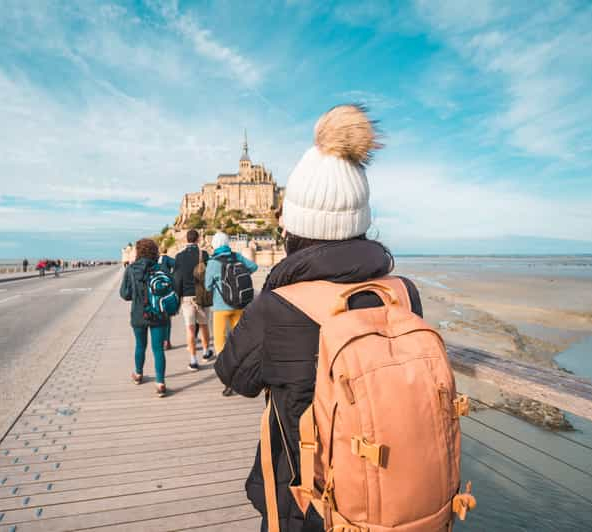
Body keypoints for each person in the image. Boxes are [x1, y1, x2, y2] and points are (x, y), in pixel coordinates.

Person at [215, 105, 423, 531]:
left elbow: (233, 375)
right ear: (362, 223)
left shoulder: (278, 306)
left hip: (310, 504)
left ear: (293, 226)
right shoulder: (404, 293)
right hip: (396, 496)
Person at [205, 231, 257, 396]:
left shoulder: (213, 262)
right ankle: (243, 375)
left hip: (221, 308)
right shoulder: (236, 257)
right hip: (239, 305)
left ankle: (227, 381)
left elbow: (207, 286)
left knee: (220, 344)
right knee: (240, 342)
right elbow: (254, 267)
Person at [120, 238, 170, 397]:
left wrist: (136, 294)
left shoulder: (131, 269)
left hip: (138, 314)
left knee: (140, 345)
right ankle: (160, 382)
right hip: (158, 313)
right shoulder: (161, 268)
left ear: (138, 251)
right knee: (158, 349)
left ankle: (138, 374)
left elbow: (125, 294)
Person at [173, 229, 213, 371]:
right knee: (204, 326)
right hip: (202, 296)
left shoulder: (179, 256)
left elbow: (177, 279)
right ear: (198, 239)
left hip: (187, 297)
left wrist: (177, 298)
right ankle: (207, 352)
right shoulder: (204, 255)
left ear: (186, 239)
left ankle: (193, 360)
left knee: (190, 329)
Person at [158, 247, 176, 350]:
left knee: (159, 318)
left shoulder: (154, 260)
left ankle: (161, 341)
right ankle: (167, 341)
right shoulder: (167, 259)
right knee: (167, 318)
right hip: (167, 289)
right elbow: (178, 264)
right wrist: (172, 275)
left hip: (156, 291)